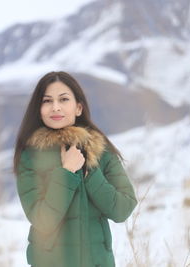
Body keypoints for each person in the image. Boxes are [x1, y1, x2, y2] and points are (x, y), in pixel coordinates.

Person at [13, 71, 137, 267]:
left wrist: (90, 173)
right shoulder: (31, 156)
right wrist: (67, 173)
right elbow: (42, 221)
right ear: (39, 109)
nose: (55, 107)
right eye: (47, 101)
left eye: (63, 99)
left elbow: (122, 209)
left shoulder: (101, 151)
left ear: (78, 107)